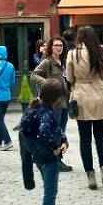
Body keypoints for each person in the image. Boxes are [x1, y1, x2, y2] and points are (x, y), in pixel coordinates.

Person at [65, 26, 103, 190]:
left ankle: (90, 175)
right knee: (100, 135)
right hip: (98, 94)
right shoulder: (99, 52)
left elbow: (69, 77)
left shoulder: (73, 53)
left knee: (85, 138)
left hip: (81, 95)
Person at [19, 79, 69, 205]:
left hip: (38, 157)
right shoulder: (46, 113)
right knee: (50, 193)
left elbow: (25, 135)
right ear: (55, 98)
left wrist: (63, 140)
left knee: (49, 190)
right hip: (48, 158)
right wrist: (55, 147)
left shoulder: (32, 109)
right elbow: (45, 132)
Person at [31, 35, 72, 172]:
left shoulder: (63, 61)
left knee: (60, 131)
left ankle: (56, 159)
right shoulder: (47, 61)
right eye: (56, 45)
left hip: (64, 101)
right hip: (54, 102)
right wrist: (47, 83)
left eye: (61, 45)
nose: (59, 48)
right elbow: (34, 76)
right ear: (51, 47)